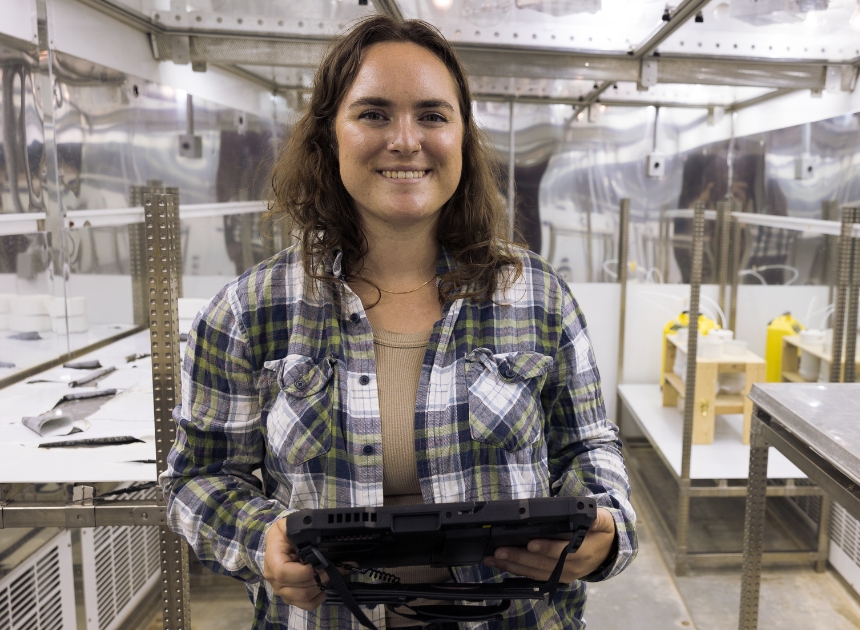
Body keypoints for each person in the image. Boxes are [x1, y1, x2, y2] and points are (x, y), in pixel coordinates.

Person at [161, 15, 637, 630]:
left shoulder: (536, 295)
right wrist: (261, 540)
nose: (406, 140)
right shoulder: (249, 312)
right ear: (330, 135)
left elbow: (588, 445)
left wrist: (604, 527)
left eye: (433, 116)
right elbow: (198, 478)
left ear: (463, 136)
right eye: (374, 113)